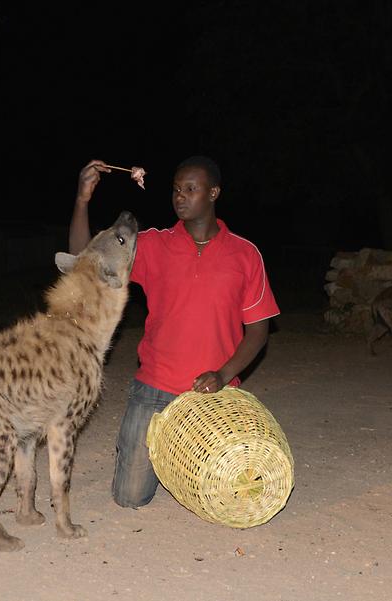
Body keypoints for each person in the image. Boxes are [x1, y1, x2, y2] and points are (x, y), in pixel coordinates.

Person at [69, 156, 280, 508]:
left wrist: (225, 374)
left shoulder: (245, 255)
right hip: (155, 388)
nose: (180, 196)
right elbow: (82, 259)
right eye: (176, 189)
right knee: (130, 497)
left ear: (213, 193)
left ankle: (185, 456)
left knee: (229, 494)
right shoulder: (153, 245)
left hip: (213, 396)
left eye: (191, 189)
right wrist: (82, 199)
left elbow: (258, 331)